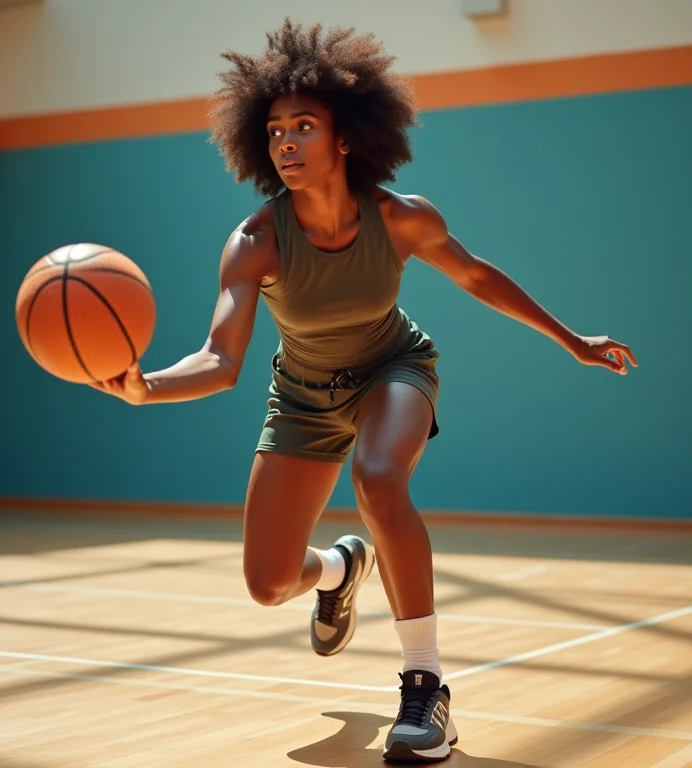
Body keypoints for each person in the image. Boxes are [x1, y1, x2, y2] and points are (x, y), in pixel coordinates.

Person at [90, 18, 638, 763]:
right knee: (267, 584)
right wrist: (143, 387)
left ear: (345, 137)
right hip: (302, 396)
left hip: (393, 369)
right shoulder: (256, 241)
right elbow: (220, 360)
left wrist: (572, 340)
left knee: (379, 479)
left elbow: (476, 275)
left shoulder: (401, 218)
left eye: (304, 127)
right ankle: (342, 566)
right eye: (275, 130)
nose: (286, 142)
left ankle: (425, 686)